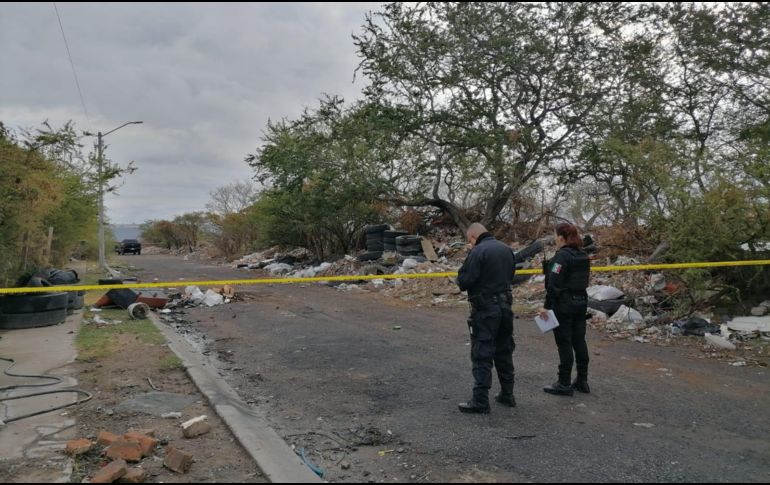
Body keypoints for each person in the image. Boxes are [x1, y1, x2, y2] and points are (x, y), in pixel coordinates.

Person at [456, 223, 518, 414]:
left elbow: (465, 281)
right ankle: (508, 394)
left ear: (473, 236)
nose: (470, 244)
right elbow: (512, 276)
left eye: (469, 241)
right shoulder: (506, 249)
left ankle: (480, 400)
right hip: (505, 307)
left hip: (485, 310)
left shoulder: (478, 252)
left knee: (482, 352)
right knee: (504, 350)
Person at [539, 223, 591, 396]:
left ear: (561, 237)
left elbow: (553, 285)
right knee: (579, 341)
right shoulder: (583, 255)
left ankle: (564, 382)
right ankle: (582, 380)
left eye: (555, 235)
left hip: (564, 305)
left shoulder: (561, 257)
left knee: (564, 343)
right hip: (581, 302)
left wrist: (546, 308)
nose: (554, 239)